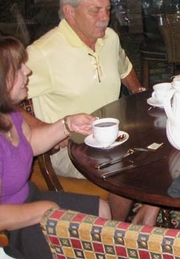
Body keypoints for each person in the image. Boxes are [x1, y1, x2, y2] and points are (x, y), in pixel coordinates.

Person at [23, 0, 158, 225]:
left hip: (114, 133)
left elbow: (124, 67)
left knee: (168, 138)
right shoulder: (42, 53)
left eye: (107, 9)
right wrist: (48, 131)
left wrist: (139, 91)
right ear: (69, 12)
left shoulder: (110, 38)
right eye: (95, 11)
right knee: (125, 169)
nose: (104, 17)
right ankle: (115, 235)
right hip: (69, 148)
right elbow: (5, 101)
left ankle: (149, 211)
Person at [0, 36, 111, 258]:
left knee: (101, 210)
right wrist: (40, 211)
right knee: (79, 245)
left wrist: (67, 124)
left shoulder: (10, 113)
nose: (28, 71)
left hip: (28, 197)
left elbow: (30, 143)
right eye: (18, 68)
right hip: (9, 228)